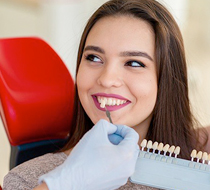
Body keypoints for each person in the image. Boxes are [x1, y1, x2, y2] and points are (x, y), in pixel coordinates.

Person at [3, 0, 209, 189]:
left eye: (134, 63)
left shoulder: (197, 163)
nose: (107, 79)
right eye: (93, 58)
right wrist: (68, 182)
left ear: (166, 79)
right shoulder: (27, 179)